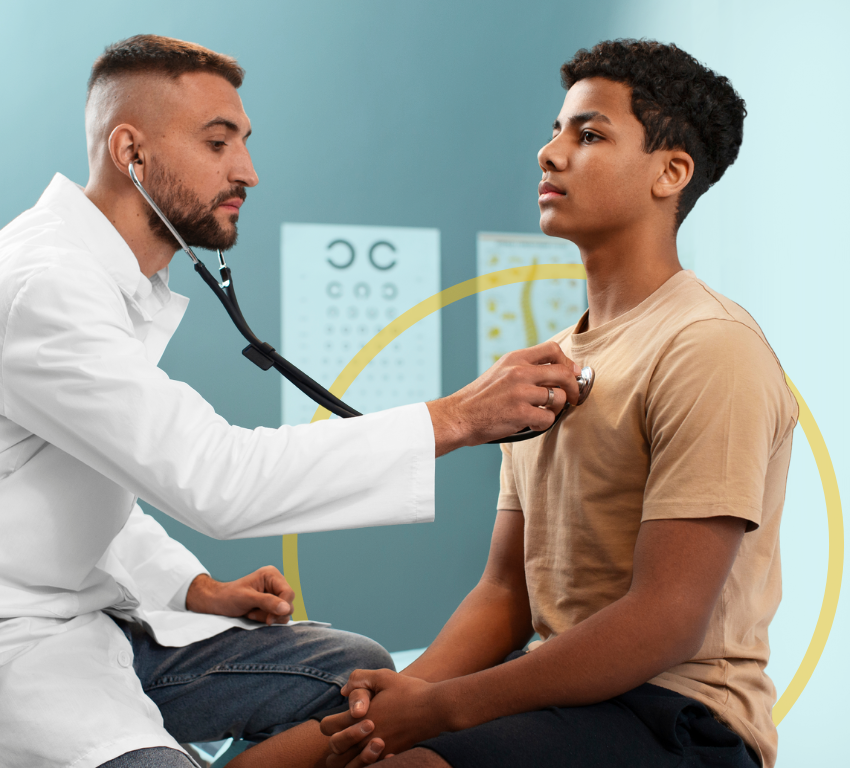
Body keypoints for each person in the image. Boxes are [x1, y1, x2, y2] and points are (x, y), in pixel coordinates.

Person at [0, 35, 583, 768]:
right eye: (218, 143)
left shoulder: (114, 282)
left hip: (92, 622)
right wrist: (457, 417)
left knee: (354, 671)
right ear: (130, 152)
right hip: (18, 643)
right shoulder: (44, 286)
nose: (246, 170)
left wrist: (195, 586)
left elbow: (64, 480)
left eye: (243, 141)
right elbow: (214, 479)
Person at [244, 39, 797, 768]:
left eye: (589, 134)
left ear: (672, 172)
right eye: (557, 129)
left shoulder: (707, 346)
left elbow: (666, 621)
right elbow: (506, 593)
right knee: (272, 763)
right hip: (557, 698)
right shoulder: (546, 364)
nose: (550, 152)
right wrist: (392, 705)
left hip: (677, 717)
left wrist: (437, 712)